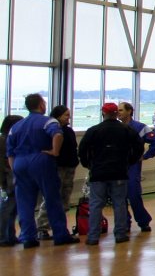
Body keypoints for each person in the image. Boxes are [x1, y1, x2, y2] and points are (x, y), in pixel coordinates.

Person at [5, 93, 77, 248]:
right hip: (41, 159)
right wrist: (55, 151)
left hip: (20, 162)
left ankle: (28, 238)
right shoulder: (48, 121)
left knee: (24, 203)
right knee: (52, 199)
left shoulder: (16, 127)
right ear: (41, 105)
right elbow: (57, 134)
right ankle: (60, 235)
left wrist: (15, 170)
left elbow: (9, 153)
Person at [77, 102, 142, 245]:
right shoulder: (126, 130)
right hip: (119, 172)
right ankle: (120, 234)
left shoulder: (93, 130)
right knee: (119, 203)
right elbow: (138, 147)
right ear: (116, 114)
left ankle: (93, 236)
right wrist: (129, 162)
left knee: (95, 204)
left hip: (98, 172)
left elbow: (82, 150)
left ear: (103, 113)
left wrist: (88, 164)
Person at [115, 102, 155, 233]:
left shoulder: (140, 127)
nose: (119, 112)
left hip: (132, 165)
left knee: (134, 195)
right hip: (117, 166)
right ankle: (124, 222)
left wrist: (145, 156)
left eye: (121, 110)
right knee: (119, 196)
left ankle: (143, 221)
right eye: (117, 110)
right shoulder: (114, 127)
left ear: (129, 111)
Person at [35, 104, 78, 238]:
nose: (68, 117)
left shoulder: (68, 131)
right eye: (66, 115)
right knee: (51, 197)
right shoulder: (52, 131)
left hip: (69, 167)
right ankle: (42, 227)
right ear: (58, 116)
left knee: (64, 197)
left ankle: (59, 227)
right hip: (57, 167)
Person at [0, 114, 21, 247]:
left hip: (10, 177)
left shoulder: (6, 139)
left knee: (12, 208)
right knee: (8, 208)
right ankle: (3, 237)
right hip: (8, 178)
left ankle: (10, 235)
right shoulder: (4, 141)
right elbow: (5, 163)